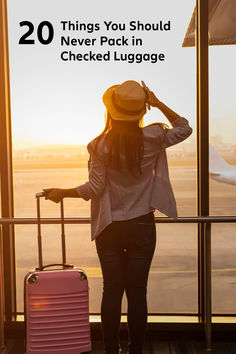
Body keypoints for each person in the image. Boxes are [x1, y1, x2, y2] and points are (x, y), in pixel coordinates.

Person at [43, 80, 192, 354]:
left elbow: (94, 188)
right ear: (141, 111)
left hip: (110, 226)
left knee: (112, 291)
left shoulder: (98, 145)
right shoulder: (155, 136)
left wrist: (61, 192)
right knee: (137, 293)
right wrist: (157, 102)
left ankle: (111, 349)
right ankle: (136, 350)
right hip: (142, 226)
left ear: (111, 110)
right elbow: (184, 128)